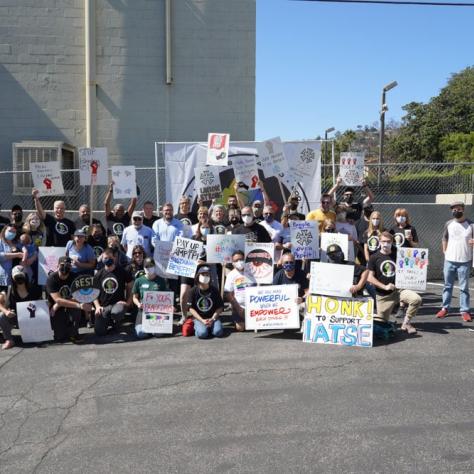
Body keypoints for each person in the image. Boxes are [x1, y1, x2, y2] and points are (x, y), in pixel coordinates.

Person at [368, 231, 421, 334]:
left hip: (399, 290)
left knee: (416, 299)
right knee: (381, 323)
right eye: (383, 241)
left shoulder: (400, 253)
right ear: (379, 242)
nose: (386, 244)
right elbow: (369, 277)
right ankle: (384, 320)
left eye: (388, 241)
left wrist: (421, 263)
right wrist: (384, 287)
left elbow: (414, 259)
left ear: (392, 241)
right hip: (383, 295)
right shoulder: (374, 257)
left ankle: (406, 323)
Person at [436, 201, 474, 322]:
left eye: (458, 209)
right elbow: (444, 238)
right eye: (453, 209)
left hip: (465, 261)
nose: (455, 211)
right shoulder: (448, 224)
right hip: (449, 261)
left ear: (463, 209)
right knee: (447, 286)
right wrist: (445, 252)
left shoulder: (471, 225)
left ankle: (464, 310)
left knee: (464, 288)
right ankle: (445, 308)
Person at [46, 257, 90, 343]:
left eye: (68, 265)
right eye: (62, 265)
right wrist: (78, 305)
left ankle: (74, 333)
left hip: (65, 306)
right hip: (55, 309)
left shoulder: (75, 277)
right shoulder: (51, 279)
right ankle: (63, 329)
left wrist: (59, 303)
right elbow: (58, 300)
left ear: (71, 267)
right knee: (60, 337)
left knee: (76, 310)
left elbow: (79, 297)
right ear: (57, 265)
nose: (65, 267)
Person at [93, 247, 133, 336]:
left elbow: (130, 286)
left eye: (110, 258)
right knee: (99, 332)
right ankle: (108, 321)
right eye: (105, 258)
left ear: (114, 258)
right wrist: (97, 306)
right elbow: (93, 293)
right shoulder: (98, 274)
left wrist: (128, 301)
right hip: (104, 306)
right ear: (102, 259)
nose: (107, 260)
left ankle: (116, 323)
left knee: (116, 312)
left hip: (118, 304)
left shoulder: (122, 271)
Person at [0, 265, 43, 349]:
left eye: (21, 276)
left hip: (31, 319)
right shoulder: (8, 290)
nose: (19, 279)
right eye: (17, 277)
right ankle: (9, 340)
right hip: (14, 318)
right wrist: (6, 311)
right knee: (1, 316)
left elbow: (41, 306)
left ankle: (36, 335)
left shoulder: (34, 290)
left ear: (26, 276)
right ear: (12, 278)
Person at [132, 257, 168, 339]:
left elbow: (166, 298)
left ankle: (152, 328)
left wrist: (170, 307)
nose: (149, 268)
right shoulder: (138, 280)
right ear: (144, 267)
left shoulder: (161, 280)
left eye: (151, 266)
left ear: (154, 267)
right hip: (143, 311)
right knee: (140, 333)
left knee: (159, 334)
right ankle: (148, 327)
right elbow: (134, 297)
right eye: (147, 266)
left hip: (157, 312)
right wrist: (138, 304)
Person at [187, 265, 224, 339]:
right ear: (198, 276)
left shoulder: (214, 290)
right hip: (199, 318)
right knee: (202, 334)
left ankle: (210, 327)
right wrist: (202, 320)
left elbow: (220, 307)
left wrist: (213, 319)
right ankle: (199, 326)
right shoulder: (192, 291)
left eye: (207, 275)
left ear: (210, 277)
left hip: (213, 318)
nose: (205, 276)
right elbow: (190, 309)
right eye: (203, 274)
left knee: (218, 332)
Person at [224, 250, 257, 331]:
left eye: (241, 259)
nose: (239, 262)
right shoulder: (231, 275)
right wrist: (238, 308)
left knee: (256, 326)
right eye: (236, 260)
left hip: (254, 306)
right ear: (232, 263)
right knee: (240, 328)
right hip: (240, 307)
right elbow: (228, 294)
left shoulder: (254, 271)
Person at [0, 225, 23, 291]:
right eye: (10, 231)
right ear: (4, 231)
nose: (12, 233)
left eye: (14, 232)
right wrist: (16, 255)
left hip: (18, 276)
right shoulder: (0, 242)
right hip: (5, 276)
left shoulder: (17, 243)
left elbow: (26, 250)